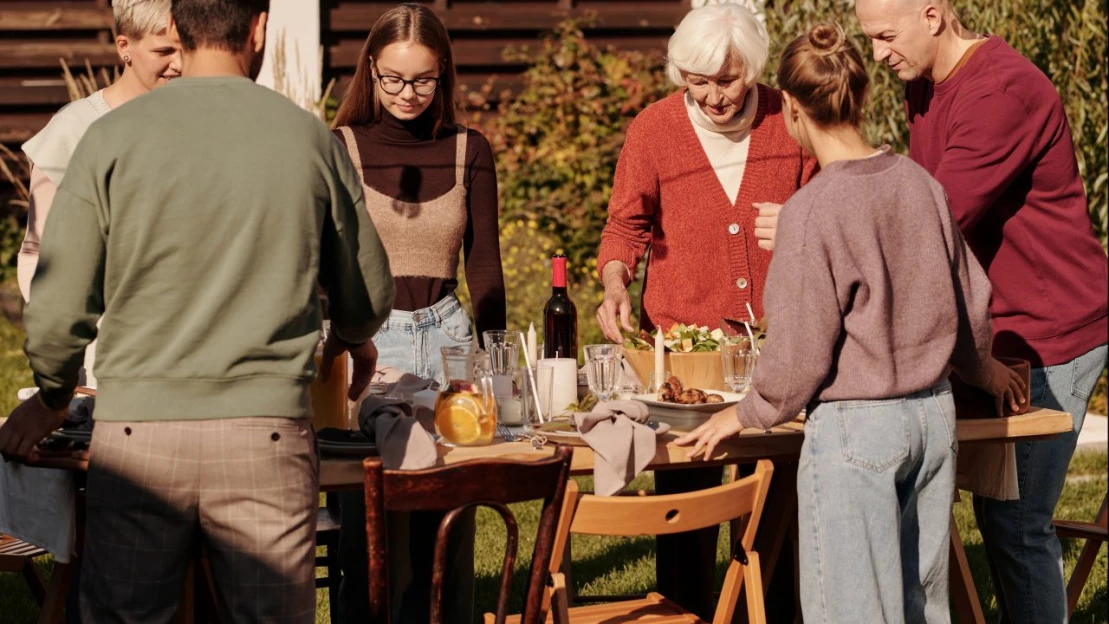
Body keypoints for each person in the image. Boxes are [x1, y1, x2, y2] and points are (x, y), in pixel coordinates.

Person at [0, 0, 395, 621]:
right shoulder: (306, 137)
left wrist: (53, 397)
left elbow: (56, 308)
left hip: (136, 438)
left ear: (179, 32)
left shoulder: (110, 138)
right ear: (260, 27)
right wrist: (351, 336)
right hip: (265, 433)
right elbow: (368, 294)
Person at [676, 24, 1024, 623]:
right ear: (860, 98)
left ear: (788, 107)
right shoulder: (921, 184)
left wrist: (748, 410)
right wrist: (981, 369)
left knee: (854, 612)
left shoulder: (810, 211)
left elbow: (800, 351)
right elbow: (969, 299)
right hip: (933, 420)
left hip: (859, 432)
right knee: (923, 609)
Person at [854, 2, 1109, 621]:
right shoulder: (924, 84)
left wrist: (825, 222)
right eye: (870, 39)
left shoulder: (1002, 91)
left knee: (1017, 522)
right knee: (980, 507)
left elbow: (936, 221)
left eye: (886, 36)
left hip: (1053, 329)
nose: (879, 53)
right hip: (995, 328)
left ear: (934, 15)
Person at [328, 4, 504, 622]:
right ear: (371, 72)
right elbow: (326, 265)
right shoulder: (339, 147)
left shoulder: (468, 149)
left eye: (423, 80)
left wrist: (499, 366)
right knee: (370, 539)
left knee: (448, 535)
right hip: (370, 347)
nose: (407, 94)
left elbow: (485, 268)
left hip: (450, 341)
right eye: (393, 79)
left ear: (444, 74)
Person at [595, 2, 816, 342]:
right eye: (698, 82)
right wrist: (614, 287)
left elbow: (832, 218)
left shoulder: (791, 121)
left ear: (752, 70)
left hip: (781, 342)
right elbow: (625, 229)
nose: (713, 97)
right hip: (680, 346)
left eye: (727, 81)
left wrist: (800, 223)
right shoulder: (653, 129)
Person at [19, 0, 181, 387]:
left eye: (186, 50)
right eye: (163, 51)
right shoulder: (74, 129)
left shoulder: (202, 122)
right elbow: (36, 251)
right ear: (124, 46)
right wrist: (61, 354)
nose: (178, 64)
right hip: (107, 354)